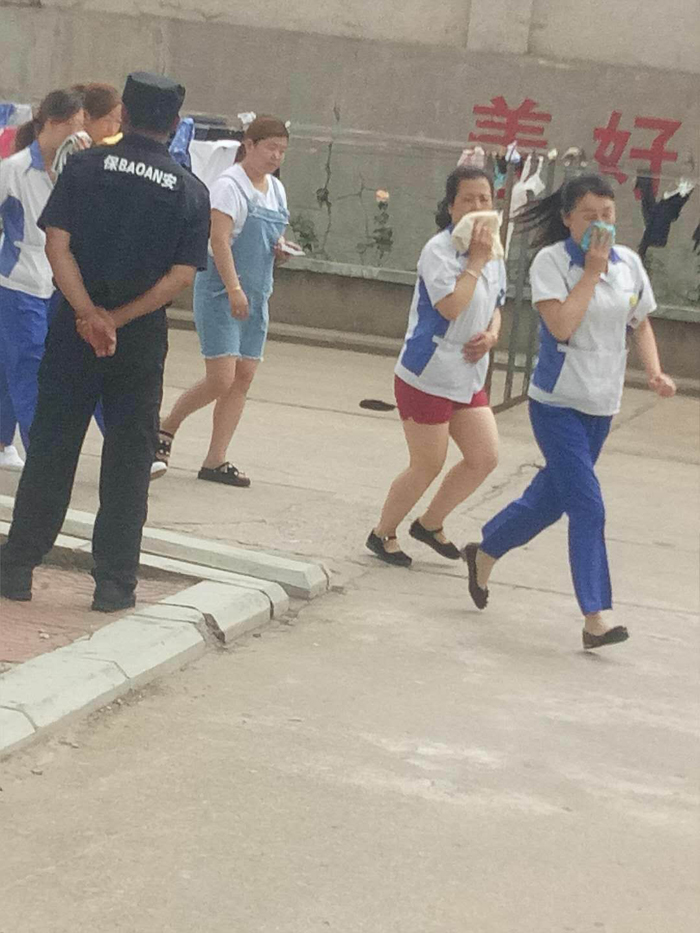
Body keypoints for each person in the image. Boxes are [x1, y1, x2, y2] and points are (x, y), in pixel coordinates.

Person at [0, 71, 210, 612]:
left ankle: (17, 568)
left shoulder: (84, 166)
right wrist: (116, 319)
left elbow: (57, 244)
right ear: (175, 123)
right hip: (138, 341)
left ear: (125, 114)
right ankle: (114, 584)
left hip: (72, 330)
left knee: (52, 447)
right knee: (128, 460)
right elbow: (181, 276)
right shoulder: (189, 189)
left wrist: (87, 312)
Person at [463, 174, 676, 649]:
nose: (601, 224)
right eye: (589, 216)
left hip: (601, 405)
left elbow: (640, 322)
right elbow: (560, 325)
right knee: (588, 505)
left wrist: (655, 372)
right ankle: (595, 616)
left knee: (551, 500)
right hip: (557, 403)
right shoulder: (551, 262)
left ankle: (486, 550)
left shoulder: (629, 264)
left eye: (608, 215)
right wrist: (591, 273)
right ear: (567, 219)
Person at [367, 167, 505, 566]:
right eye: (468, 199)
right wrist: (475, 261)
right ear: (451, 206)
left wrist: (492, 335)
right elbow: (451, 306)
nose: (477, 207)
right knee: (428, 462)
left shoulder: (493, 251)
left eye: (484, 199)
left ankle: (430, 523)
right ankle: (383, 532)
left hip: (469, 371)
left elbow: (497, 305)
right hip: (428, 371)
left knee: (484, 456)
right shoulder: (439, 251)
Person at [155, 115, 300, 487]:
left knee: (243, 377)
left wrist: (279, 250)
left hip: (257, 294)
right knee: (221, 378)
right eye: (270, 147)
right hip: (222, 292)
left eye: (282, 150)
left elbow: (269, 236)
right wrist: (234, 288)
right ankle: (167, 427)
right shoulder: (228, 186)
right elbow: (218, 240)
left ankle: (215, 459)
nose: (276, 156)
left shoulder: (276, 189)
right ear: (248, 145)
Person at [0, 88, 85, 468]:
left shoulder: (75, 170)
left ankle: (2, 441)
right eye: (75, 125)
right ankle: (44, 457)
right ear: (53, 123)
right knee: (30, 366)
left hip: (58, 283)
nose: (80, 134)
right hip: (18, 282)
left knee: (13, 366)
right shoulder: (14, 169)